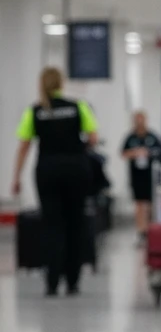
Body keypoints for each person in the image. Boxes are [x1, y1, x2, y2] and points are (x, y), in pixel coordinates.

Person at [10, 67, 99, 296]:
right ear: (61, 83)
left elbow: (24, 147)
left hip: (47, 171)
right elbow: (93, 138)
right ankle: (72, 282)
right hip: (76, 169)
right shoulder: (78, 107)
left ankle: (51, 283)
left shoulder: (35, 111)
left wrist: (16, 177)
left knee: (52, 226)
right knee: (75, 224)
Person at [121, 110, 161, 243]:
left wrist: (148, 153)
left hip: (149, 175)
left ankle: (150, 229)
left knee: (150, 203)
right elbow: (123, 153)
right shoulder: (130, 137)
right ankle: (140, 230)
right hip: (136, 174)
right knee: (138, 203)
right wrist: (134, 153)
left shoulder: (152, 136)